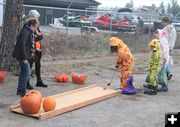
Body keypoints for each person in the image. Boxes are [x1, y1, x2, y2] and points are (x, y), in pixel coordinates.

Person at [12, 18, 38, 96]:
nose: (36, 28)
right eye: (35, 27)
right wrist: (24, 58)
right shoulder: (25, 32)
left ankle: (20, 90)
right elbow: (22, 45)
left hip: (23, 55)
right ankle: (21, 90)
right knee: (26, 72)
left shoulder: (28, 31)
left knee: (24, 72)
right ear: (31, 25)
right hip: (21, 55)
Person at [26, 10, 48, 89]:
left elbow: (40, 36)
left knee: (38, 65)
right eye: (37, 17)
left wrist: (39, 36)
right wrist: (38, 36)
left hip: (38, 48)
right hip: (32, 49)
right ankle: (26, 83)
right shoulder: (29, 26)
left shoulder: (36, 25)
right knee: (30, 66)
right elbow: (33, 38)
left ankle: (39, 81)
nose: (38, 19)